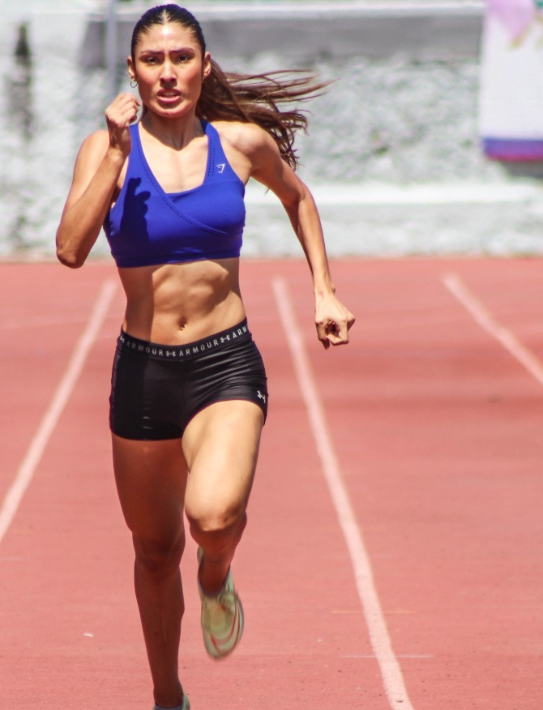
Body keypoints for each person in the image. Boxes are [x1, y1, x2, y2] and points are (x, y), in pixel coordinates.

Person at [55, 5, 354, 709]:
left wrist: (325, 291)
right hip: (143, 371)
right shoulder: (104, 151)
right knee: (155, 553)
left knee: (212, 518)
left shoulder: (241, 144)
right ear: (131, 70)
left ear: (204, 65)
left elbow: (298, 198)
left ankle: (216, 574)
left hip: (224, 361)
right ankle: (168, 696)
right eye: (153, 61)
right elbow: (70, 249)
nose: (168, 73)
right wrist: (117, 151)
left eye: (181, 59)